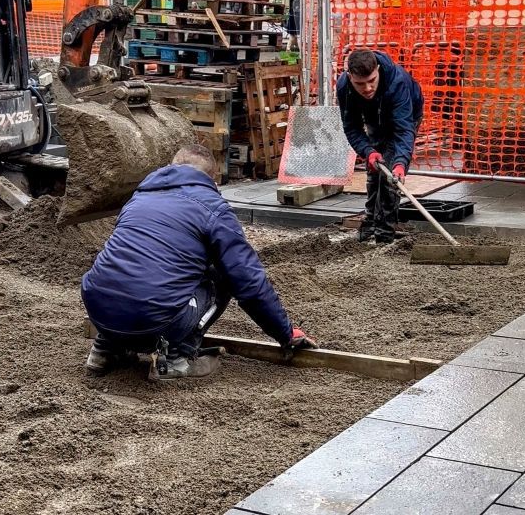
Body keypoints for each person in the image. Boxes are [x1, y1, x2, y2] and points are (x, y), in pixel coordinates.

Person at [81, 144, 318, 380]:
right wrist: (285, 333)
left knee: (128, 267)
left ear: (170, 168)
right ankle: (176, 358)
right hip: (152, 321)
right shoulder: (214, 209)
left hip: (99, 310)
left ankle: (104, 350)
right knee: (225, 275)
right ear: (211, 179)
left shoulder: (138, 198)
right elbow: (249, 282)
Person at [337, 49, 424, 244]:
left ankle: (384, 235)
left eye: (372, 81)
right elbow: (351, 127)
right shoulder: (344, 87)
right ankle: (370, 222)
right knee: (375, 169)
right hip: (373, 118)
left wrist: (401, 163)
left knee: (389, 177)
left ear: (377, 70)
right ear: (350, 76)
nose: (367, 88)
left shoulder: (397, 82)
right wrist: (368, 152)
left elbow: (403, 130)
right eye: (360, 83)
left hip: (405, 118)